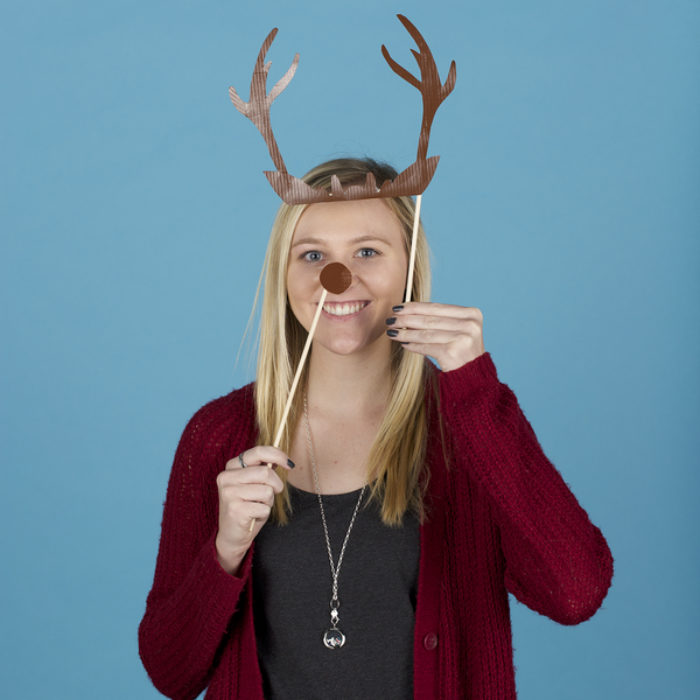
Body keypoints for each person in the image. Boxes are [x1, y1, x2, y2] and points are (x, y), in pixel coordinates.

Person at [138, 158, 614, 700]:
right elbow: (169, 673)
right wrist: (224, 553)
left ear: (409, 268)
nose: (337, 278)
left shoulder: (471, 428)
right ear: (283, 275)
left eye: (368, 251)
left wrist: (476, 393)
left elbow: (576, 593)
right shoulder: (217, 435)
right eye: (313, 255)